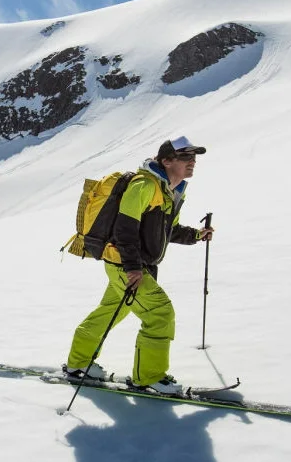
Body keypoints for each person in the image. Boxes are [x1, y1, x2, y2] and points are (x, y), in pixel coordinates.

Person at [63, 136, 215, 395]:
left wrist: (197, 235)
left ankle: (78, 364)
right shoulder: (144, 185)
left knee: (111, 311)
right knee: (159, 315)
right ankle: (148, 377)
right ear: (166, 161)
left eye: (194, 157)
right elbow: (125, 228)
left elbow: (170, 230)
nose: (192, 162)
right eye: (186, 157)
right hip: (127, 266)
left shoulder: (169, 191)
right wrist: (133, 267)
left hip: (128, 265)